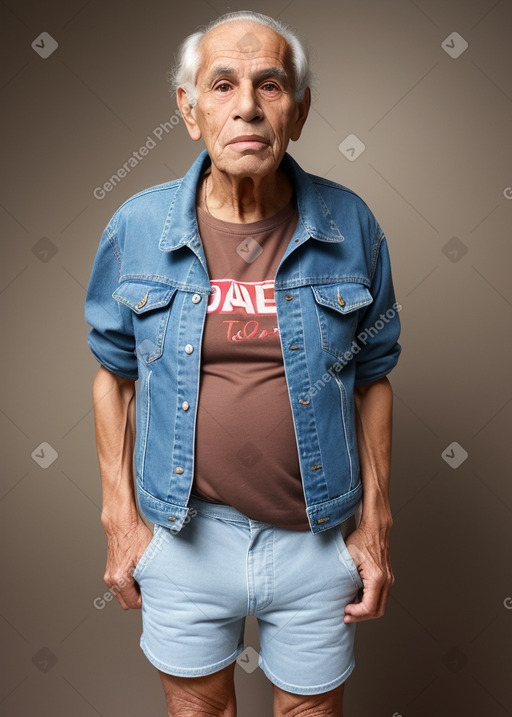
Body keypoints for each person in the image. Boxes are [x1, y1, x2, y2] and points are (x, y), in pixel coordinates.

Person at [85, 10, 401, 716]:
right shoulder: (137, 227)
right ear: (189, 109)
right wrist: (120, 521)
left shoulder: (351, 225)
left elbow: (374, 375)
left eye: (271, 85)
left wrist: (375, 526)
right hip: (186, 533)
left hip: (317, 538)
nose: (247, 107)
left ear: (301, 109)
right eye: (222, 85)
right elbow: (113, 373)